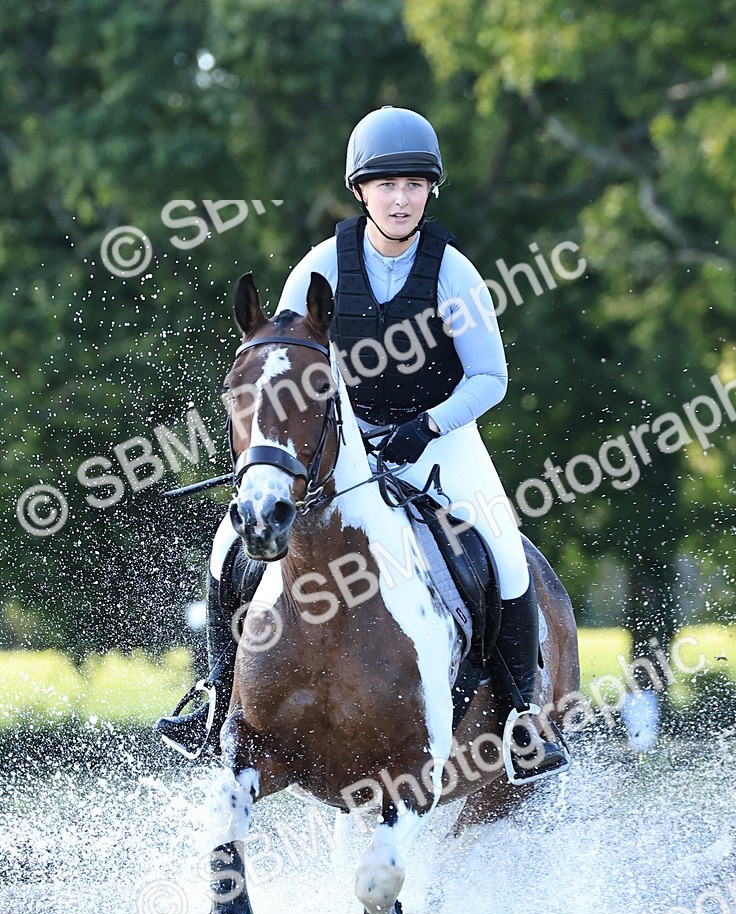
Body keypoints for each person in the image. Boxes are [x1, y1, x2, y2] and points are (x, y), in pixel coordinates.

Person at [158, 106, 568, 778]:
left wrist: (427, 425)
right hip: (339, 446)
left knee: (504, 550)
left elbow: (490, 376)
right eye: (387, 186)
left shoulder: (454, 271)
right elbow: (281, 367)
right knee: (230, 544)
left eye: (413, 185)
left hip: (440, 437)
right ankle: (211, 698)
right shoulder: (319, 268)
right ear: (361, 191)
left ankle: (522, 716)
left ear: (430, 191)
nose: (400, 199)